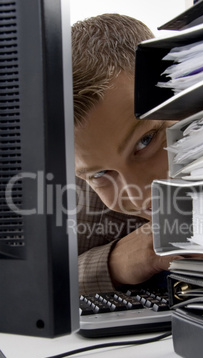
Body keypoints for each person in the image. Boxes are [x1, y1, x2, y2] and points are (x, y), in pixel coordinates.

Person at [72, 13, 179, 295]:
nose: (137, 195)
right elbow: (19, 285)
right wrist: (115, 263)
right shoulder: (77, 204)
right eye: (100, 174)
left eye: (145, 141)